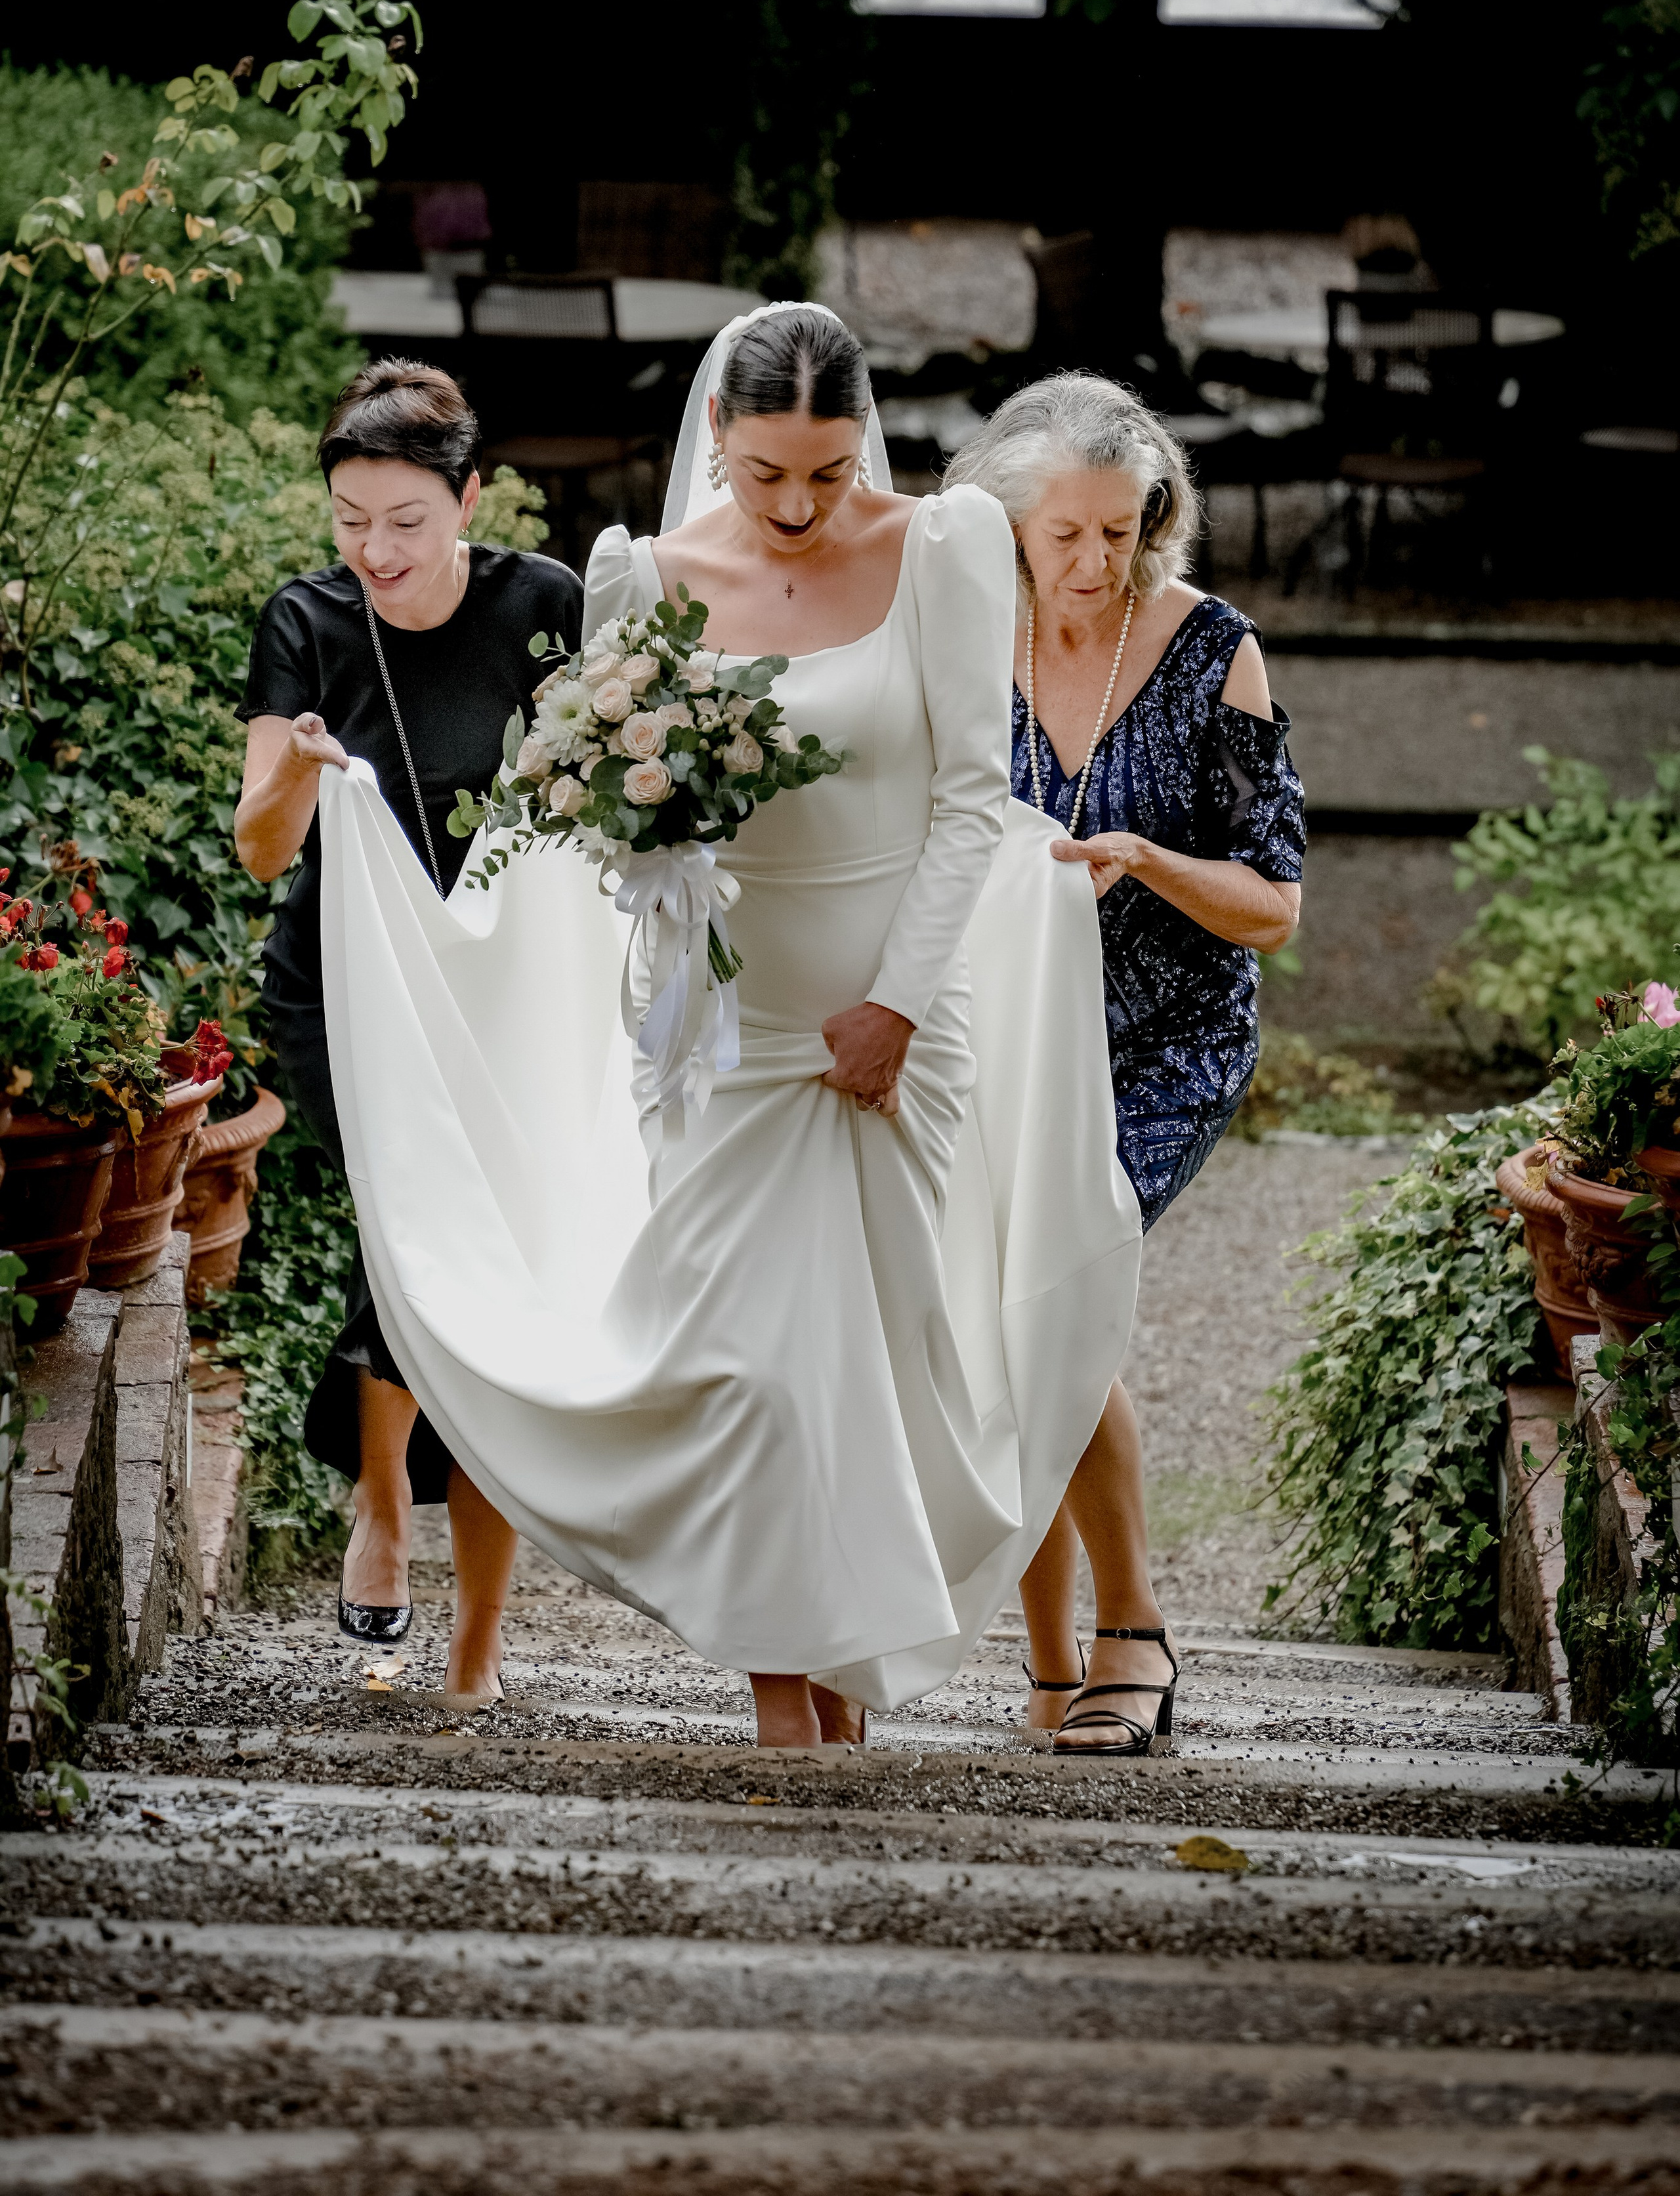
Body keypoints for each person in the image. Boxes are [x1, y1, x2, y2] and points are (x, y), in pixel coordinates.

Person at [306, 304, 1143, 1746]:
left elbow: (964, 800)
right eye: (767, 475)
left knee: (870, 1371)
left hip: (893, 1029)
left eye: (825, 472)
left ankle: (834, 1685)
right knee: (757, 1373)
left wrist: (893, 1005)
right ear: (718, 442)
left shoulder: (941, 551)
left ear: (860, 443)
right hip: (722, 1027)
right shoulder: (640, 576)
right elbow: (594, 819)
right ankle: (781, 1714)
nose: (800, 507)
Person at [945, 373, 1305, 1754]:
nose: (1095, 563)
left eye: (1119, 531)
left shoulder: (1214, 651)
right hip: (1005, 1034)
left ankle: (1133, 1629)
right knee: (999, 1318)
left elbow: (1272, 907)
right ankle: (1048, 1666)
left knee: (1060, 1288)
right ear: (1009, 528)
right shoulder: (966, 635)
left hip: (1165, 1043)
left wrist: (1147, 862)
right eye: (1067, 537)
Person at [234, 360, 582, 1702]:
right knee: (424, 1237)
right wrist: (303, 780)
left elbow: (597, 801)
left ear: (469, 502)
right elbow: (262, 849)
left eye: (403, 522)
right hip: (345, 993)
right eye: (346, 521)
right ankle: (382, 1503)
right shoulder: (307, 624)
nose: (372, 551)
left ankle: (479, 1643)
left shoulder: (543, 610)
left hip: (501, 991)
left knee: (475, 1266)